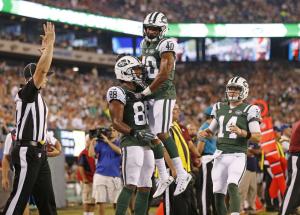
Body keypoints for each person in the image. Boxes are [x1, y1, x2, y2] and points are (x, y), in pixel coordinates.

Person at [2, 22, 57, 215]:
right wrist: (49, 47)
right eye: (44, 75)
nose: (47, 77)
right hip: (28, 150)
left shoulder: (36, 95)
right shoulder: (26, 93)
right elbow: (41, 72)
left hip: (39, 152)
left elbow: (41, 71)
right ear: (33, 77)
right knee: (19, 198)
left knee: (47, 202)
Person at [138, 11, 191, 198]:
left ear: (162, 30)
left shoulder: (167, 44)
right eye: (149, 28)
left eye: (154, 29)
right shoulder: (144, 44)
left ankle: (182, 173)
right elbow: (145, 68)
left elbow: (164, 74)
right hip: (151, 93)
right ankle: (164, 174)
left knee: (161, 132)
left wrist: (145, 91)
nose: (151, 32)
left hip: (163, 93)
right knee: (150, 135)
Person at [199, 76, 262, 215]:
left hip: (237, 155)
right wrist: (205, 132)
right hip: (220, 155)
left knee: (233, 185)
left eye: (236, 89)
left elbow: (257, 137)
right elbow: (212, 131)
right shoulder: (219, 107)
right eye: (230, 89)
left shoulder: (250, 109)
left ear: (244, 90)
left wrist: (241, 132)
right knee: (218, 192)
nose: (232, 92)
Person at [106, 55, 156, 215]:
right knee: (131, 184)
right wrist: (135, 132)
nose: (139, 73)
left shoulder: (141, 90)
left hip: (146, 141)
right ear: (124, 72)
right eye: (135, 70)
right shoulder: (117, 91)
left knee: (146, 185)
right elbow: (116, 122)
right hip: (132, 141)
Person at [163, 104, 199, 215]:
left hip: (184, 172)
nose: (178, 111)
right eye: (175, 109)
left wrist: (196, 158)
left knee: (187, 205)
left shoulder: (177, 126)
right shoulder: (165, 127)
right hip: (173, 172)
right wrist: (173, 168)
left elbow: (186, 146)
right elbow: (164, 149)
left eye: (178, 109)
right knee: (175, 206)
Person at [88, 126, 122, 215]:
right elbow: (91, 154)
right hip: (100, 175)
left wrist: (108, 142)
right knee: (100, 202)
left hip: (115, 175)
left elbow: (119, 151)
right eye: (110, 130)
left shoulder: (120, 142)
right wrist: (92, 142)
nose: (111, 132)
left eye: (114, 130)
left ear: (118, 133)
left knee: (118, 203)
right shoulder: (100, 142)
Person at [197, 106, 217, 215]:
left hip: (209, 160)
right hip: (209, 160)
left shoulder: (205, 127)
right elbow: (200, 149)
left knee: (207, 191)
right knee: (209, 191)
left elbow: (199, 149)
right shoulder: (208, 127)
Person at [279, 120, 300, 215]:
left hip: (295, 156)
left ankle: (292, 209)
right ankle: (284, 213)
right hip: (296, 157)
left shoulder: (297, 123)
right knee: (292, 189)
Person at [239, 142, 261, 214]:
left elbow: (258, 151)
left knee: (253, 189)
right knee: (243, 189)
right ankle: (239, 208)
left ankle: (251, 207)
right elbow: (245, 152)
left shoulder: (254, 142)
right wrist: (251, 151)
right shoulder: (243, 141)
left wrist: (251, 150)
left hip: (254, 169)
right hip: (245, 169)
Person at [77, 135, 96, 215]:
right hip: (87, 180)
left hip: (92, 179)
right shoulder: (84, 153)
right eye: (91, 141)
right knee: (87, 199)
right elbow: (80, 167)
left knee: (92, 200)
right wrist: (84, 178)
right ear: (87, 142)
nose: (93, 143)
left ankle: (90, 214)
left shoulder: (93, 152)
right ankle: (86, 214)